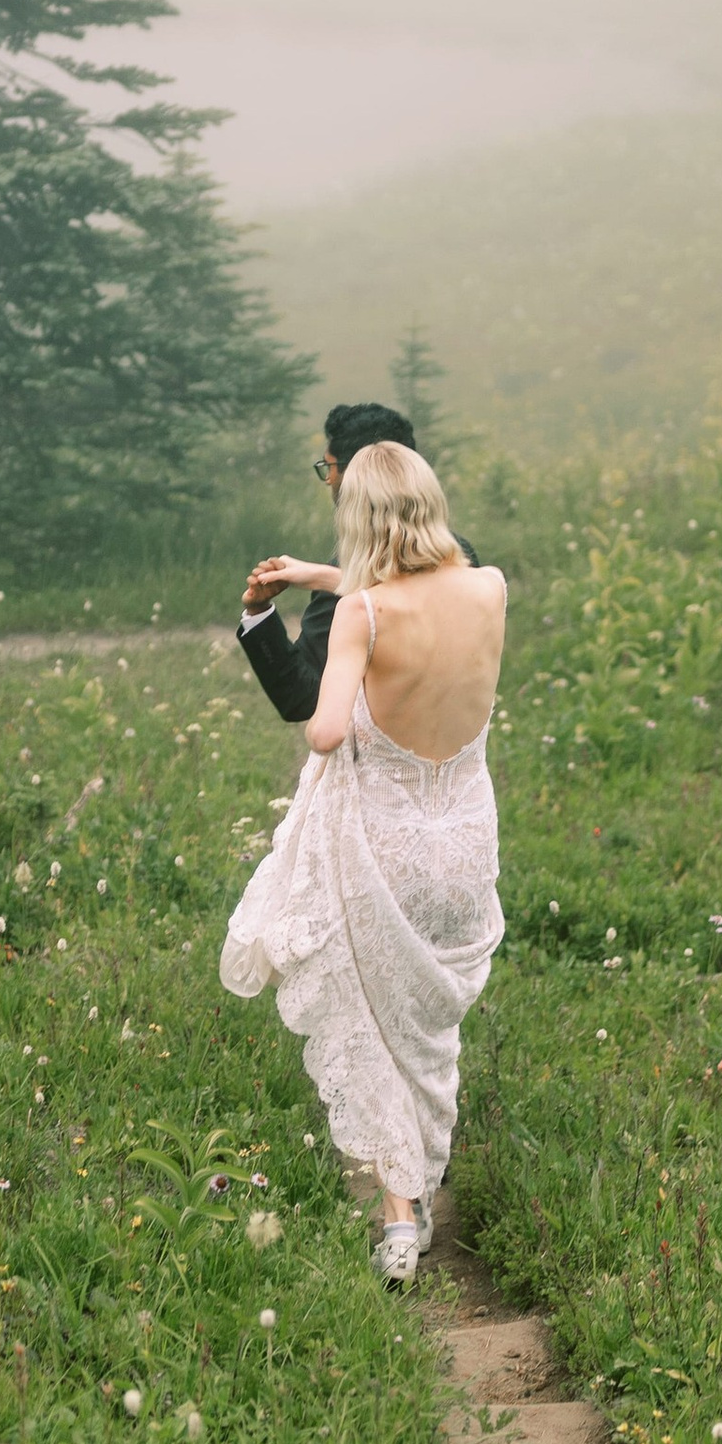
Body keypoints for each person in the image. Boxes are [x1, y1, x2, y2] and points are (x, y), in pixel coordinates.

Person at [220, 441, 507, 1287]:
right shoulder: (490, 589)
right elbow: (424, 588)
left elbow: (324, 730)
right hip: (463, 843)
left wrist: (334, 618)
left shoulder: (363, 615)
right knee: (427, 1027)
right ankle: (423, 1174)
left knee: (377, 1028)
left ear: (361, 518)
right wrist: (318, 576)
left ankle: (399, 1223)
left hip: (385, 853)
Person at [236, 401, 478, 722]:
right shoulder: (462, 559)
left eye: (329, 467)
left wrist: (260, 611)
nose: (328, 480)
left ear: (357, 474)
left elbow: (301, 699)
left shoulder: (346, 578)